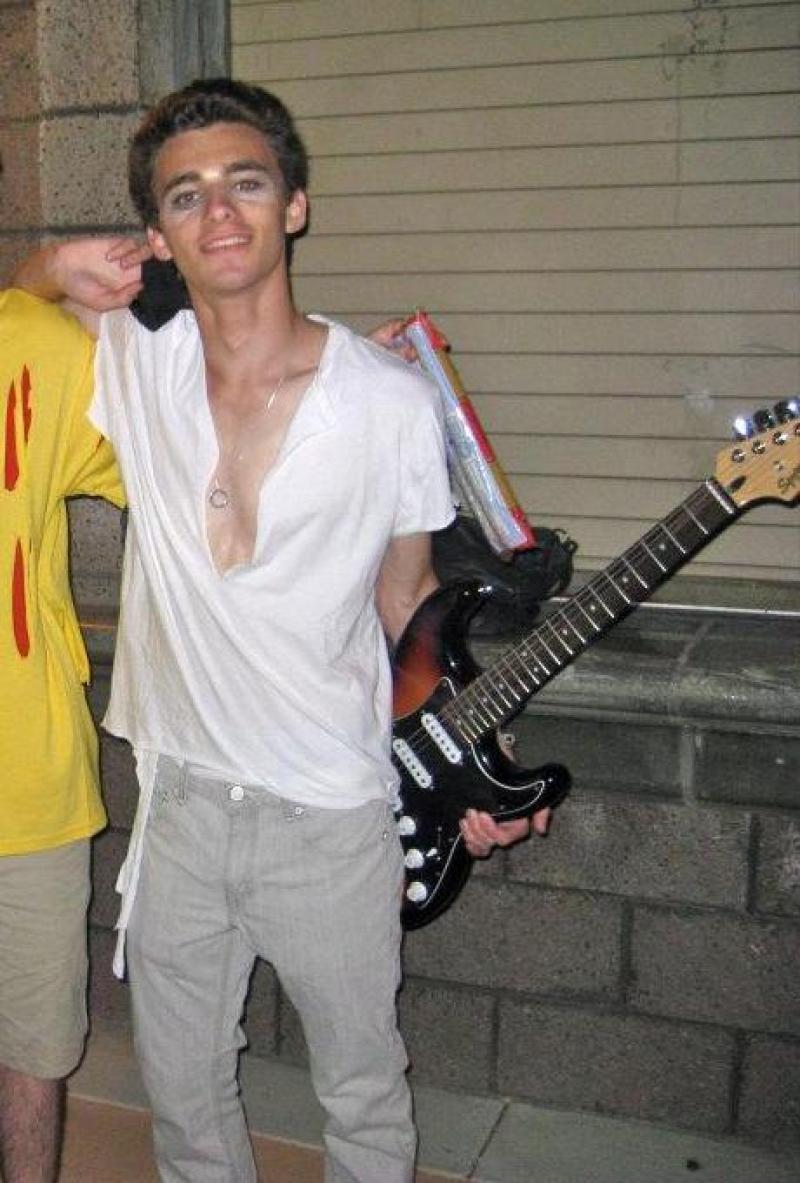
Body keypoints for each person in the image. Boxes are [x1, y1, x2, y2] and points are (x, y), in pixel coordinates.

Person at [15, 77, 542, 1182]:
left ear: (292, 205)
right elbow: (19, 348)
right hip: (183, 808)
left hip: (329, 808)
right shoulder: (127, 360)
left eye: (244, 183)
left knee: (360, 1087)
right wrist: (41, 268)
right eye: (185, 194)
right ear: (158, 229)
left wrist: (467, 775)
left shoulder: (388, 403)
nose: (218, 214)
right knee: (185, 1095)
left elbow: (407, 610)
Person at [0, 290, 127, 1182]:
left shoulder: (38, 342)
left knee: (34, 1053)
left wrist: (337, 383)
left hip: (26, 782)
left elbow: (198, 453)